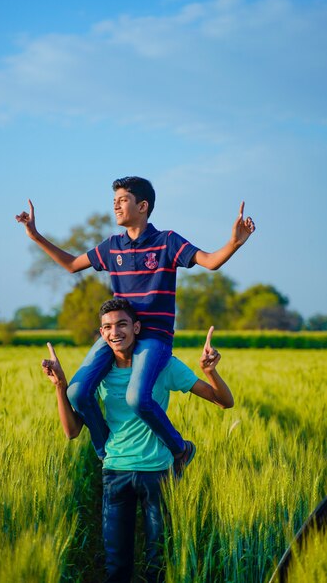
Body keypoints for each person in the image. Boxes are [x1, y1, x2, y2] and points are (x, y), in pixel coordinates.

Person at [16, 176, 253, 469]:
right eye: (113, 200)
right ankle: (106, 452)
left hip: (153, 337)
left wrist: (234, 242)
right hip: (118, 334)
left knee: (138, 398)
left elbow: (211, 261)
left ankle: (180, 449)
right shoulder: (112, 246)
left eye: (122, 200)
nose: (115, 205)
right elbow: (71, 264)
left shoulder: (167, 241)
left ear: (142, 206)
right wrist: (35, 235)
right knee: (76, 391)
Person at [42, 298, 234, 583]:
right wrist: (60, 386)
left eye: (121, 324)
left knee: (158, 563)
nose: (114, 332)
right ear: (101, 332)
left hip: (159, 474)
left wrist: (210, 371)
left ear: (136, 327)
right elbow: (72, 431)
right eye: (107, 327)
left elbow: (224, 402)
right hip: (115, 473)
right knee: (116, 567)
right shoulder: (98, 376)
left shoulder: (163, 365)